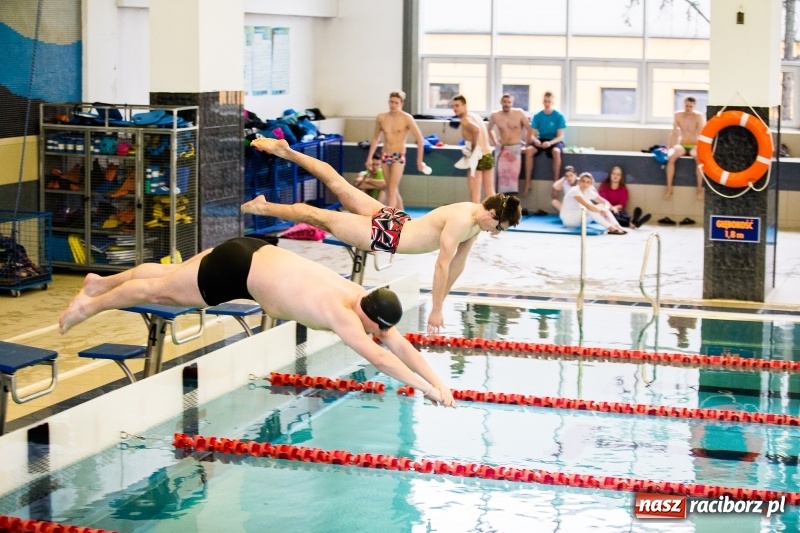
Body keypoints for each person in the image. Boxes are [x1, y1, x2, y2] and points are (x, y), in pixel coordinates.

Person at [58, 237, 456, 407]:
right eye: (378, 330)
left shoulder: (359, 297)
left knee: (168, 276)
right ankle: (90, 306)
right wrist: (427, 391)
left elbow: (399, 346)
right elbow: (385, 360)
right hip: (240, 270)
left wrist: (440, 384)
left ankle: (100, 283)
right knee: (159, 293)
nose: (381, 336)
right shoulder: (344, 315)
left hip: (253, 251)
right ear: (369, 319)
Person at [242, 138, 522, 334]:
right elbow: (443, 265)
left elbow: (458, 265)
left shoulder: (473, 218)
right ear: (492, 215)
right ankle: (262, 206)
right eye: (499, 227)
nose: (496, 233)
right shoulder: (463, 221)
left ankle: (286, 151)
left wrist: (441, 302)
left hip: (395, 221)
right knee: (320, 217)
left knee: (337, 183)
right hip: (386, 235)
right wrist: (436, 309)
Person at [365, 91, 427, 210]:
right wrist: (369, 158)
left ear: (401, 104)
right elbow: (375, 138)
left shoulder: (406, 118)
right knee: (390, 188)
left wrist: (419, 161)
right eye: (391, 102)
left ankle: (389, 218)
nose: (393, 105)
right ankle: (402, 214)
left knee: (392, 189)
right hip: (385, 154)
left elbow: (420, 139)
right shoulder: (381, 118)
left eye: (396, 103)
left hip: (398, 155)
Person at [451, 94, 495, 203]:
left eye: (457, 105)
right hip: (488, 155)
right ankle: (501, 217)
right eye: (453, 106)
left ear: (464, 106)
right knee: (490, 192)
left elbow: (476, 130)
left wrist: (473, 150)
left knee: (474, 194)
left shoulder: (465, 119)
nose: (455, 108)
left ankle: (475, 220)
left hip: (478, 157)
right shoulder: (475, 116)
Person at [523, 91, 566, 197]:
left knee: (556, 152)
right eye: (545, 101)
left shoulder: (559, 116)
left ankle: (555, 185)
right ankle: (527, 183)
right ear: (543, 102)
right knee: (529, 151)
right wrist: (536, 140)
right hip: (541, 140)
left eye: (549, 101)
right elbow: (533, 134)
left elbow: (560, 136)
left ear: (552, 102)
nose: (547, 103)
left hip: (554, 141)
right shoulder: (538, 116)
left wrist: (550, 143)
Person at [488, 94, 531, 196]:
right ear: (501, 102)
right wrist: (495, 143)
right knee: (501, 180)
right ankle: (501, 208)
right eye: (504, 102)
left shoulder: (519, 113)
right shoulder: (495, 115)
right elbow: (489, 130)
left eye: (509, 102)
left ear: (512, 103)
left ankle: (511, 209)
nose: (506, 104)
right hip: (502, 149)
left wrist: (526, 145)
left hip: (515, 149)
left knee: (513, 180)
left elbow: (529, 129)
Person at [665, 96, 706, 201]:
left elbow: (702, 134)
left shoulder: (698, 116)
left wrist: (703, 149)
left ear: (694, 106)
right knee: (671, 157)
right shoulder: (678, 115)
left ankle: (699, 189)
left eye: (690, 106)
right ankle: (669, 188)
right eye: (686, 106)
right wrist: (669, 148)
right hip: (682, 144)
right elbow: (674, 132)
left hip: (694, 145)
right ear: (684, 105)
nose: (688, 108)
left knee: (698, 158)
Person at [559, 172, 627, 235]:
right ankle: (611, 228)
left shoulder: (588, 191)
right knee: (589, 208)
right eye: (583, 181)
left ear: (590, 184)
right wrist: (601, 211)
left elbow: (605, 202)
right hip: (569, 219)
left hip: (581, 218)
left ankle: (617, 225)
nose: (585, 184)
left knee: (601, 206)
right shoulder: (575, 191)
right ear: (579, 182)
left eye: (588, 182)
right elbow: (587, 206)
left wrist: (605, 209)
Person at [597, 165, 651, 229]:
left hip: (619, 210)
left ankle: (633, 221)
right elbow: (603, 200)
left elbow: (622, 204)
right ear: (610, 175)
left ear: (621, 177)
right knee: (614, 217)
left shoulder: (623, 190)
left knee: (622, 215)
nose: (615, 176)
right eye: (613, 174)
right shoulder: (604, 186)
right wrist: (612, 208)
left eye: (618, 174)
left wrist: (616, 208)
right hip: (607, 209)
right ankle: (635, 221)